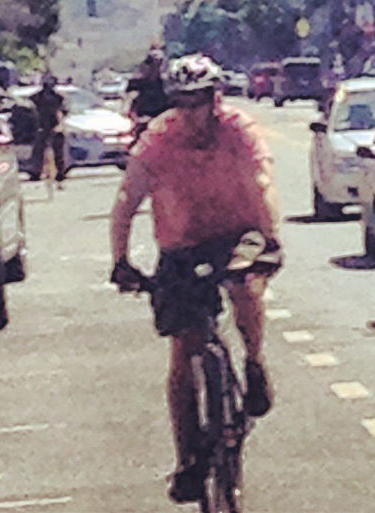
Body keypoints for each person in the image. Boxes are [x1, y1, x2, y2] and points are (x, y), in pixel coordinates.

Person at [109, 54, 282, 504]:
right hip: (181, 246)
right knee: (184, 349)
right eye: (182, 103)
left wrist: (271, 239)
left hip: (237, 233)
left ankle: (255, 361)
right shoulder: (158, 140)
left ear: (215, 99)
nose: (190, 112)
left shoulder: (238, 131)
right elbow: (127, 200)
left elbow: (261, 182)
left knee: (245, 285)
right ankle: (188, 458)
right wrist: (120, 261)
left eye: (199, 101)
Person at [126, 47, 171, 135]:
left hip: (163, 124)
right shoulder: (135, 83)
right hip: (141, 122)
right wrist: (136, 119)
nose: (155, 67)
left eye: (159, 63)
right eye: (152, 63)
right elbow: (129, 105)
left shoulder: (167, 84)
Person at [29, 74, 66, 181]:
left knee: (57, 151)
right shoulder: (38, 97)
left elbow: (61, 112)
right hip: (43, 126)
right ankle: (38, 172)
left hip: (51, 126)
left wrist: (60, 125)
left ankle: (59, 173)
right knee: (40, 150)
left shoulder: (59, 97)